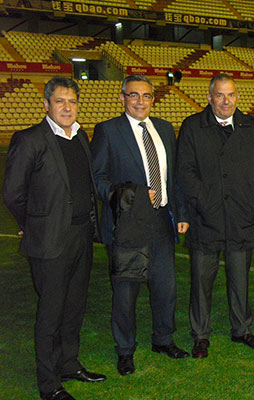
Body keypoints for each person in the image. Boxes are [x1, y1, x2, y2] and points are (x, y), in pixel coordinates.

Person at [4, 77, 106, 400]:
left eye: (72, 102)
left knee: (75, 307)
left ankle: (69, 363)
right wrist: (31, 224)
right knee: (50, 313)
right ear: (46, 105)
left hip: (81, 236)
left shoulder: (81, 138)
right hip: (49, 241)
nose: (67, 107)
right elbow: (13, 194)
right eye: (60, 101)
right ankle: (48, 384)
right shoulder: (30, 139)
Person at [91, 74, 190, 377]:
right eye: (133, 95)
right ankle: (125, 350)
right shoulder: (108, 131)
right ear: (122, 98)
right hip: (127, 225)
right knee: (126, 292)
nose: (140, 101)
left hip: (161, 220)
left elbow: (173, 178)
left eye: (146, 96)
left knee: (165, 287)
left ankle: (163, 339)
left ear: (153, 99)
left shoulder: (163, 129)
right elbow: (97, 179)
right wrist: (128, 194)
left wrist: (181, 212)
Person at [177, 73, 254, 359]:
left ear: (237, 97)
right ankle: (200, 334)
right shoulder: (193, 127)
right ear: (209, 97)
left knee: (240, 279)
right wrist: (204, 202)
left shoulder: (251, 127)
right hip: (206, 219)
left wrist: (253, 201)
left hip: (241, 218)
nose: (225, 100)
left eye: (230, 95)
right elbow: (185, 172)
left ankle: (242, 329)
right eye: (219, 95)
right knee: (201, 281)